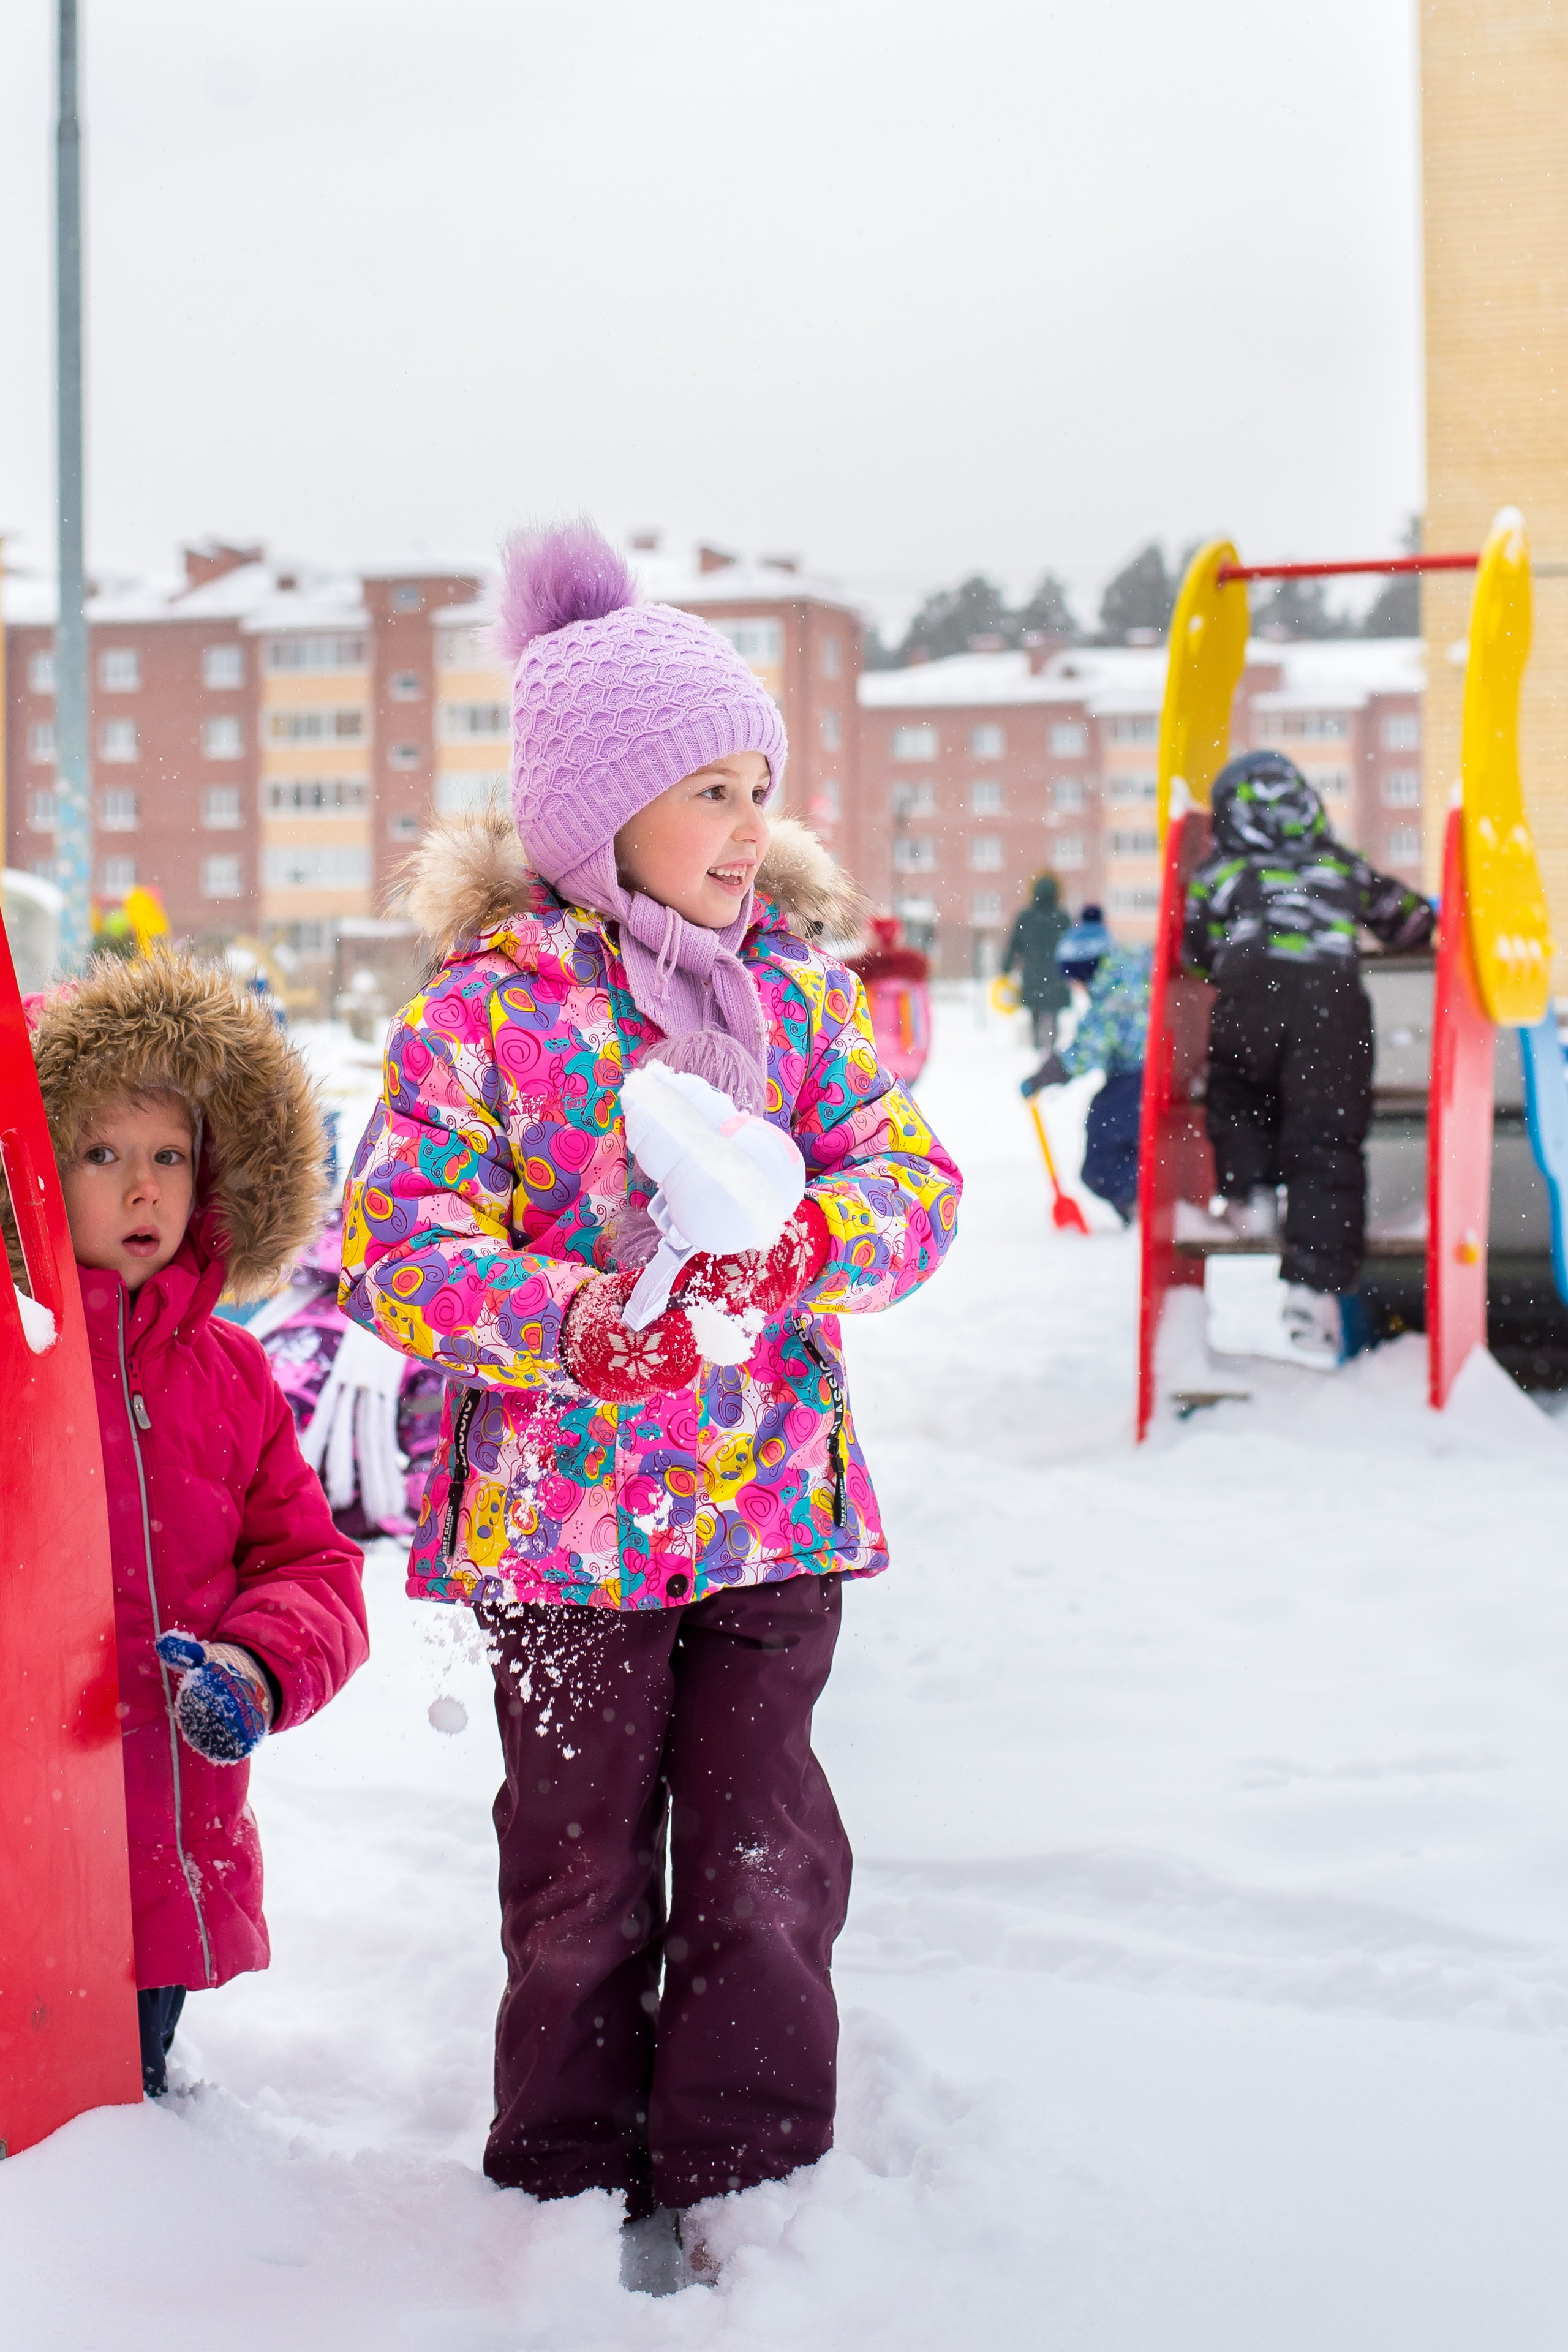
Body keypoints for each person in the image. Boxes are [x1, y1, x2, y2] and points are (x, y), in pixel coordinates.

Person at [339, 522, 960, 2291]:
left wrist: (802, 1252)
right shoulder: (484, 1022)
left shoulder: (803, 1003)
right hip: (563, 1533)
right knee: (581, 1872)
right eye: (709, 787)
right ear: (592, 816)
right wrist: (577, 1321)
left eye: (760, 782)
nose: (751, 824)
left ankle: (750, 2174)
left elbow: (915, 1190)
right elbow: (394, 1242)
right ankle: (557, 2179)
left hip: (773, 1518)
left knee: (766, 1864)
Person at [15, 956, 369, 2098]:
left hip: (160, 1838)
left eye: (169, 1157)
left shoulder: (230, 1372)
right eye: (102, 1155)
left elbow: (310, 1560)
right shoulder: (18, 1366)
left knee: (129, 2105)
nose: (142, 1192)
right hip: (25, 1841)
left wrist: (256, 1665)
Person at [1184, 749, 1435, 1369]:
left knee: (1238, 1094)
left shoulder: (1222, 872)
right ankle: (1312, 1288)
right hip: (1330, 999)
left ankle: (1252, 1193)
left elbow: (1194, 947)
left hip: (1248, 992)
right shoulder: (1337, 864)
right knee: (1327, 1134)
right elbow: (1409, 922)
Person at [1023, 923, 1152, 1226]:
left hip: (1139, 1079)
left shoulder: (1113, 997)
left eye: (1073, 980)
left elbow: (1086, 1052)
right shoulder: (1134, 969)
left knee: (1101, 1154)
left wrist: (1045, 1076)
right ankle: (1141, 1190)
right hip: (1167, 1071)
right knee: (1129, 1134)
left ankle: (1140, 1197)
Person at [847, 911, 932, 1087]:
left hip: (864, 1063)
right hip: (906, 1065)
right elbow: (924, 1025)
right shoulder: (913, 977)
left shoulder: (855, 977)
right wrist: (920, 1058)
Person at [1003, 872, 1071, 1050]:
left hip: (1033, 973)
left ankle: (1037, 1045)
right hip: (1056, 974)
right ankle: (1052, 1045)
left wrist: (1006, 968)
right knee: (1054, 1012)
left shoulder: (1026, 917)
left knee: (1035, 1011)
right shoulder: (1062, 917)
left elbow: (1014, 945)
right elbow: (1071, 947)